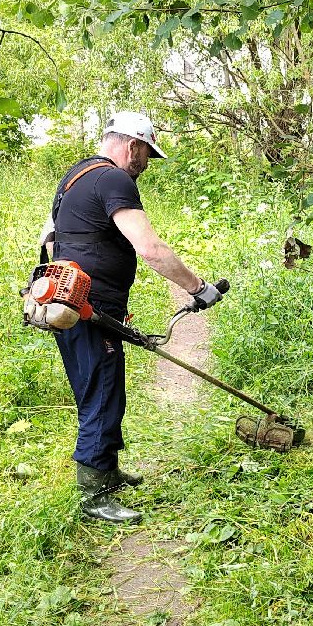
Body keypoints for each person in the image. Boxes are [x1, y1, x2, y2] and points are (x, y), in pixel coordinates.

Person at [46, 111, 224, 524]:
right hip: (88, 308)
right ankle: (95, 497)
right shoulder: (114, 179)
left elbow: (52, 235)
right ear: (133, 145)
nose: (145, 166)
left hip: (67, 299)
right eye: (146, 156)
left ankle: (105, 469)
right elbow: (150, 248)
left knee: (101, 389)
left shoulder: (76, 175)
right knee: (102, 395)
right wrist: (198, 288)